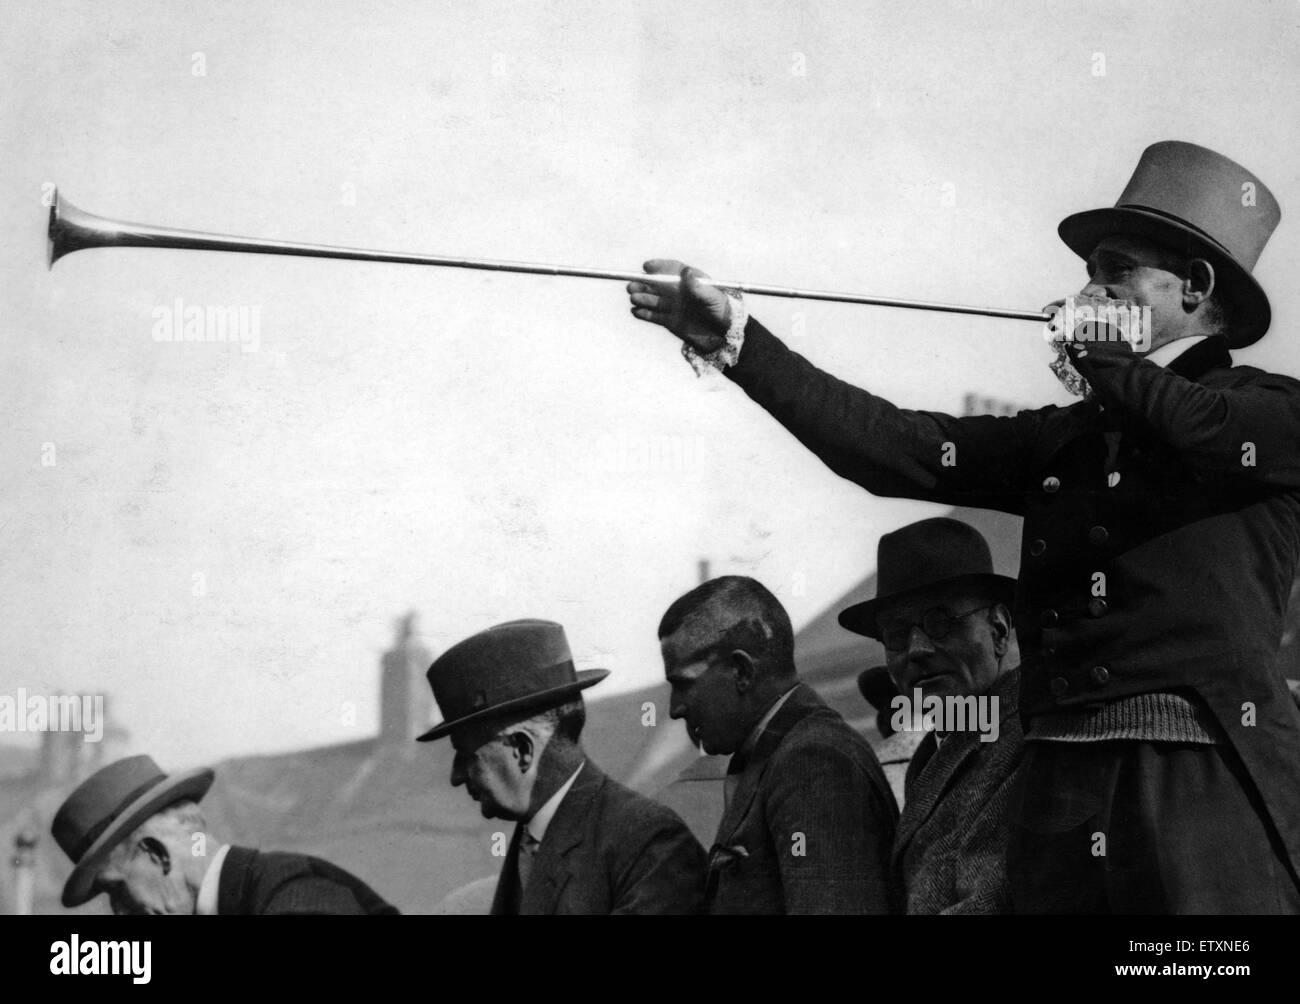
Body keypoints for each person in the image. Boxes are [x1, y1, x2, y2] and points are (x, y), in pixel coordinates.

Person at [628, 140, 1300, 913]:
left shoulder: (1267, 412)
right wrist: (738, 342)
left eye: (1114, 271)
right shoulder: (1066, 437)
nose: (1088, 292)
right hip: (1060, 789)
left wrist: (1109, 361)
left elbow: (1195, 424)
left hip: (1196, 785)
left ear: (1196, 285)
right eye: (1087, 274)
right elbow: (893, 449)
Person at [417, 618, 706, 914]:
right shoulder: (532, 843)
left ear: (521, 749)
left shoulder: (651, 844)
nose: (455, 776)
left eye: (465, 755)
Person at [659, 575, 898, 913]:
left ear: (741, 670)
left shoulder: (812, 761)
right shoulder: (782, 755)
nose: (675, 708)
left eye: (683, 684)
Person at [841, 517, 1024, 913]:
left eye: (941, 623)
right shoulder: (932, 754)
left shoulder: (1029, 740)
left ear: (999, 630)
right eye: (896, 634)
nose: (916, 649)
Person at [51, 754, 398, 914]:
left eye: (117, 890)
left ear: (157, 855)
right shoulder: (259, 894)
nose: (119, 913)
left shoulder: (299, 895)